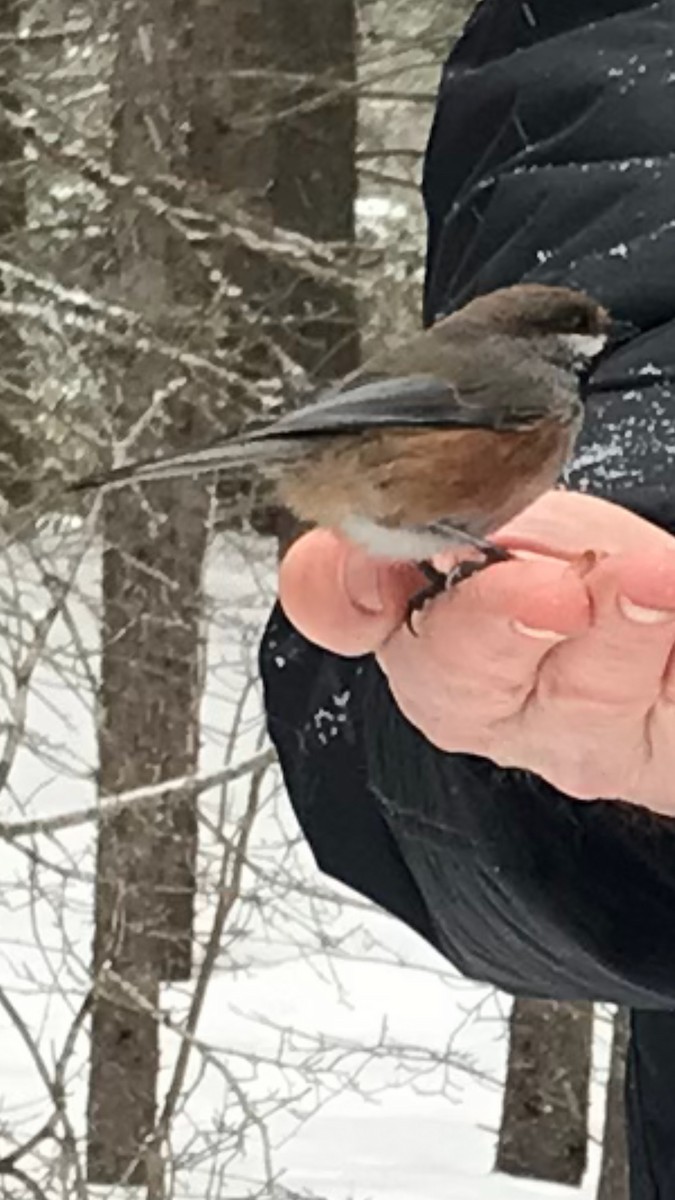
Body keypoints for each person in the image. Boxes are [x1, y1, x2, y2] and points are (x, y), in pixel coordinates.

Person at [259, 1, 675, 1195]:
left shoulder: (535, 387)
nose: (595, 344)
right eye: (583, 333)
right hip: (385, 480)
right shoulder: (521, 390)